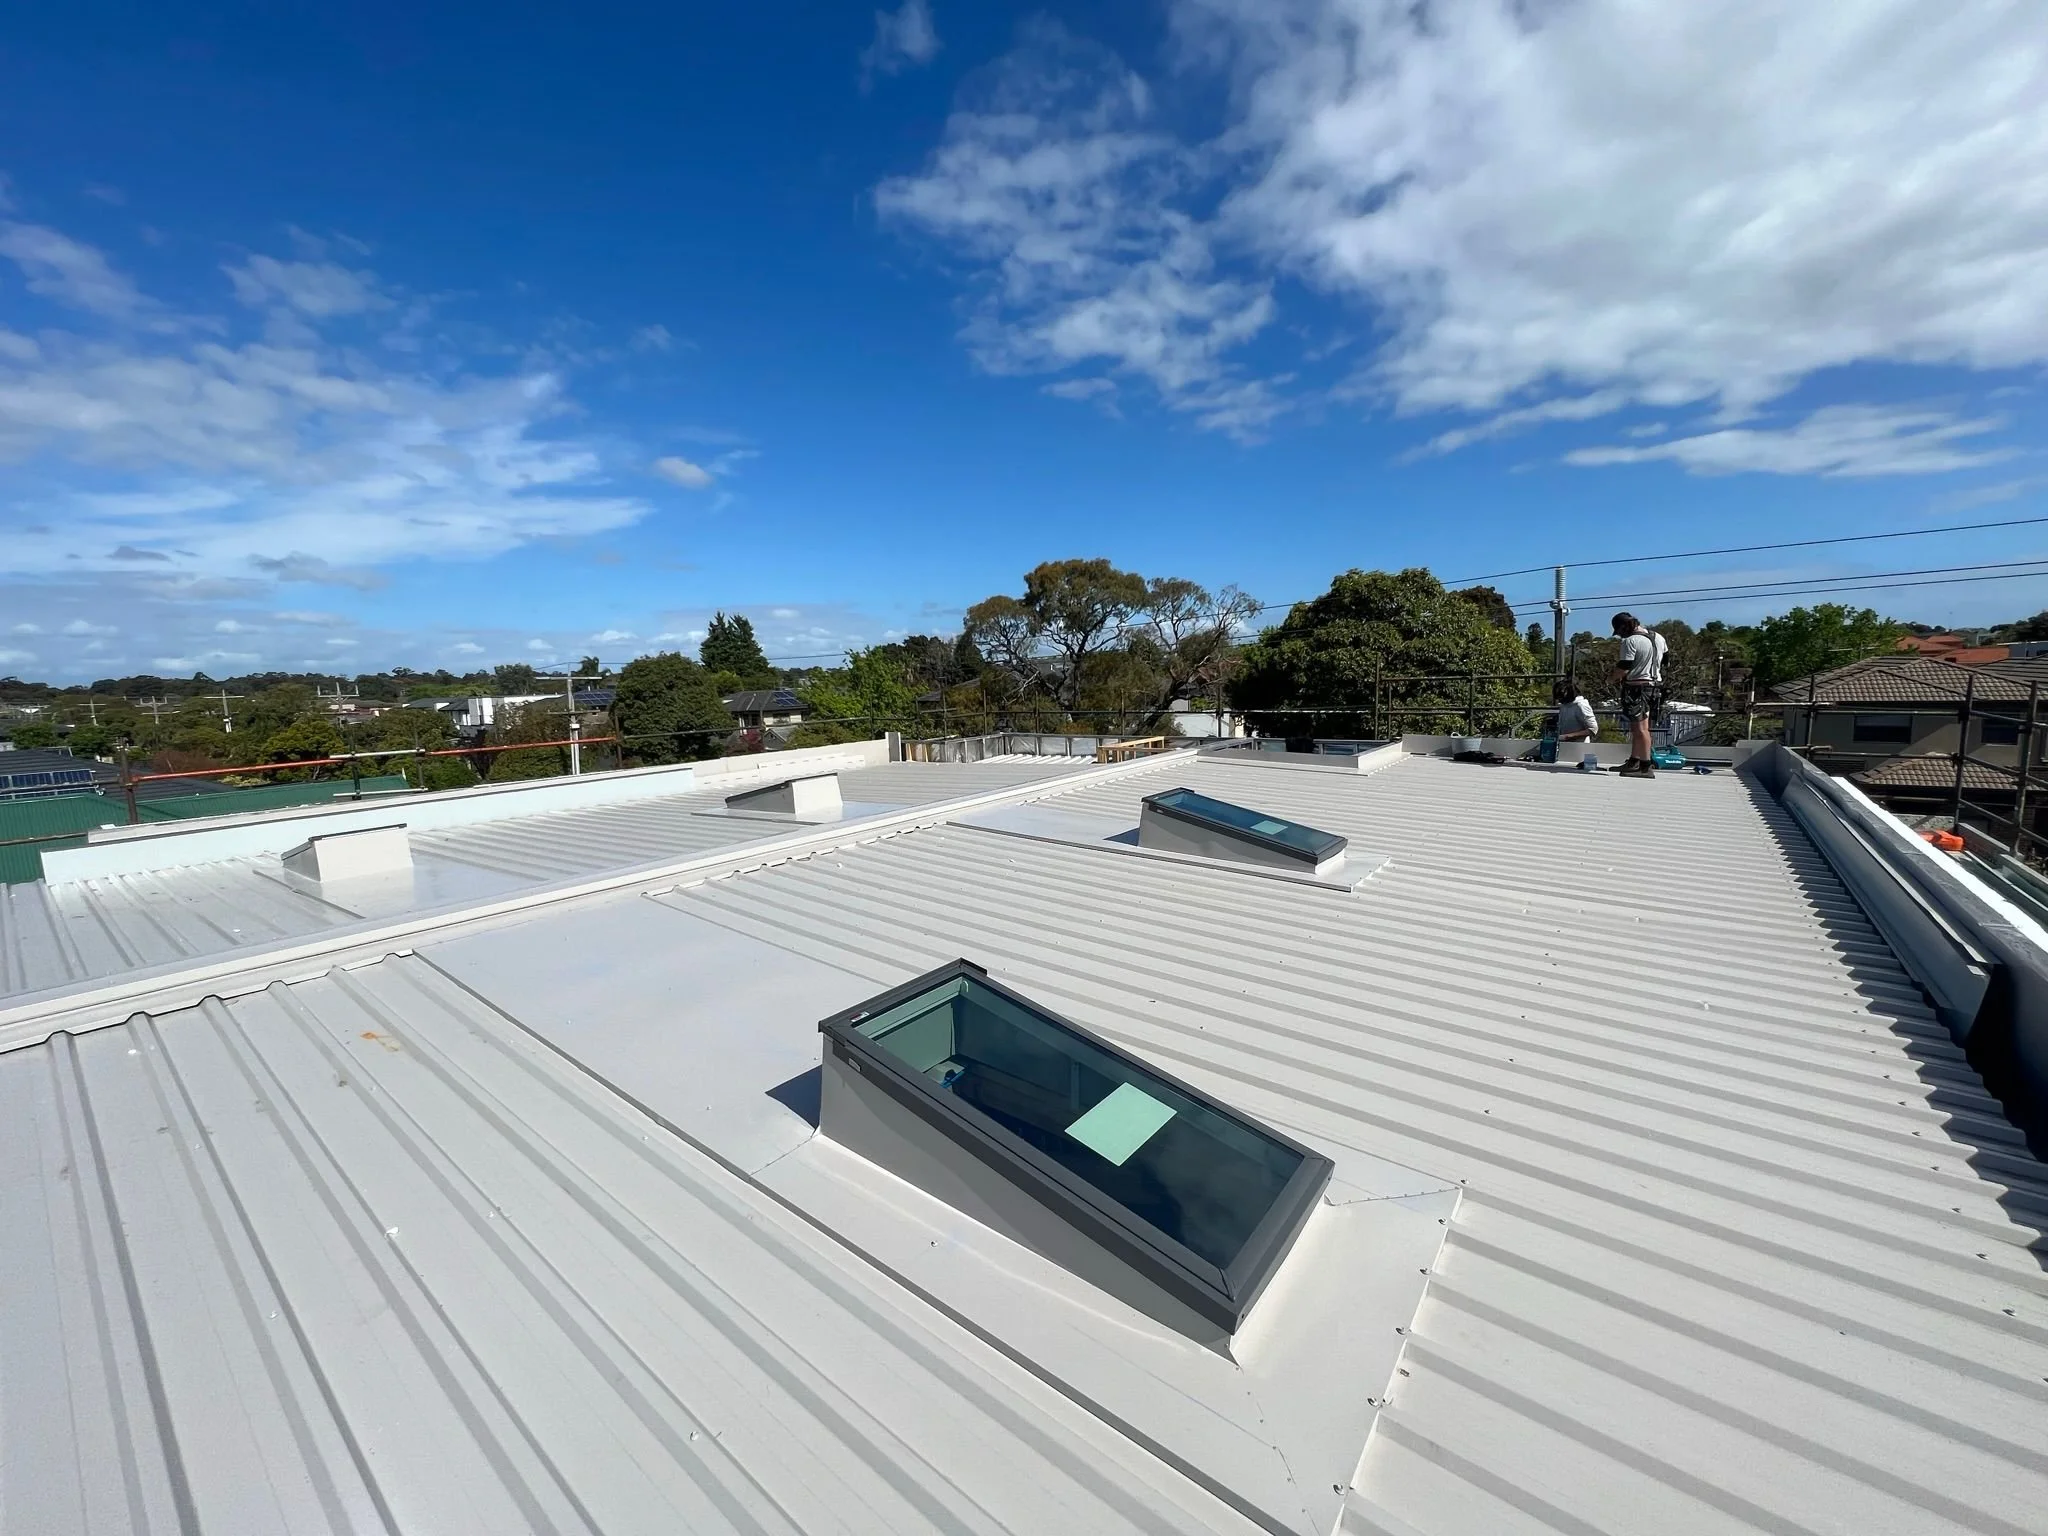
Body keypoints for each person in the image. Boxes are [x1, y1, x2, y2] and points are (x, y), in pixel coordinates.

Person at [1610, 611, 1668, 778]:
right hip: (1655, 686)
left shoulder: (1630, 641)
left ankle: (1645, 766)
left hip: (1637, 687)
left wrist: (1611, 678)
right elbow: (1666, 659)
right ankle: (1634, 761)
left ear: (1623, 627)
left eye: (1619, 632)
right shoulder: (1658, 637)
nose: (1620, 636)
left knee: (1641, 729)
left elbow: (1625, 666)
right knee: (1638, 727)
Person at [1553, 679, 1598, 743]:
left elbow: (1593, 729)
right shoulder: (1564, 706)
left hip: (1579, 746)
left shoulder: (1581, 705)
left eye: (1561, 696)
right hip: (1564, 745)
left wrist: (1569, 736)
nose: (1559, 699)